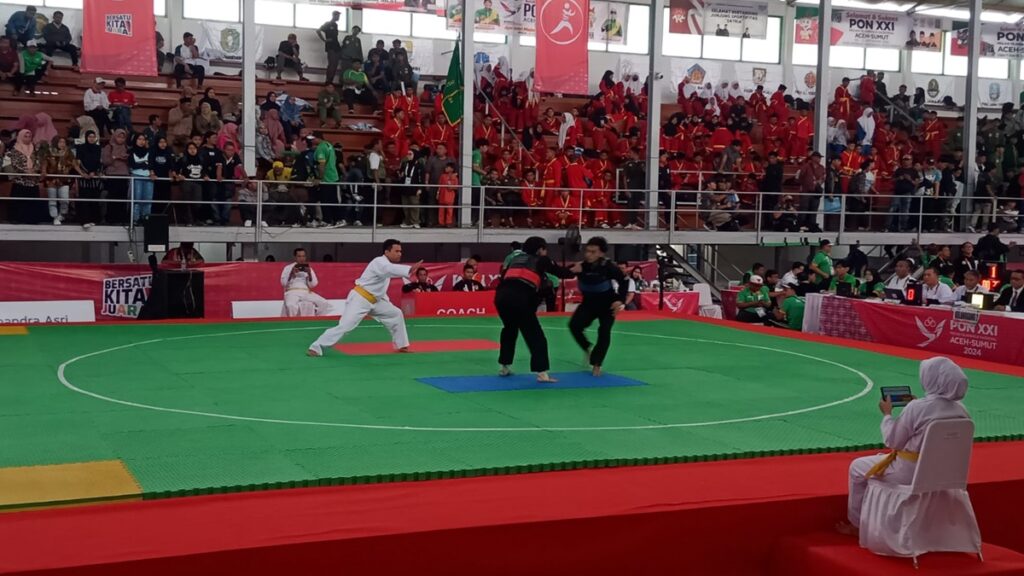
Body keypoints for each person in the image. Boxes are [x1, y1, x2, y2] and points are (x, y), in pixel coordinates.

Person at [837, 357, 970, 537]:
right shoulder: (962, 410)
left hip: (909, 472)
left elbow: (893, 442)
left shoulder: (917, 408)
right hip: (945, 473)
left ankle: (858, 524)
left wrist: (887, 415)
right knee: (880, 461)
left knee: (856, 468)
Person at [308, 239, 421, 356]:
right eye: (396, 251)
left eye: (400, 251)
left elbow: (379, 289)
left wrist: (386, 303)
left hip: (375, 301)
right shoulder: (379, 262)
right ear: (387, 252)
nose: (400, 254)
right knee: (345, 326)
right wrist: (409, 269)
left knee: (396, 313)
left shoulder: (386, 265)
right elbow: (389, 269)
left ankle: (402, 345)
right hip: (360, 299)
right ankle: (316, 347)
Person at [495, 236, 575, 382]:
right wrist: (578, 269)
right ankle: (542, 373)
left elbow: (505, 276)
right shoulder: (542, 260)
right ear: (540, 250)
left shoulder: (515, 259)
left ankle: (504, 367)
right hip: (519, 298)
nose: (546, 252)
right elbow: (561, 273)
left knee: (509, 329)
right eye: (545, 249)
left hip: (501, 297)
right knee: (535, 334)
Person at [569, 237, 628, 377]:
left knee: (604, 331)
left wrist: (620, 300)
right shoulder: (581, 265)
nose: (588, 254)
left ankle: (597, 364)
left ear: (601, 253)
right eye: (587, 251)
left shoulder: (609, 266)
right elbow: (563, 272)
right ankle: (587, 347)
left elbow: (624, 281)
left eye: (593, 252)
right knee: (574, 326)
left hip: (608, 304)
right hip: (589, 303)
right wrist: (571, 270)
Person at [281, 248, 329, 317]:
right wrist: (291, 273)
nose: (302, 258)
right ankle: (292, 323)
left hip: (305, 292)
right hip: (292, 292)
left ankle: (315, 320)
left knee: (324, 303)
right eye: (299, 256)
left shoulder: (309, 268)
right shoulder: (288, 268)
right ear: (295, 257)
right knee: (290, 305)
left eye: (303, 256)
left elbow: (313, 284)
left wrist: (309, 273)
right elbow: (283, 283)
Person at [316, 11, 343, 84]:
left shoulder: (335, 25)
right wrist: (324, 40)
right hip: (330, 46)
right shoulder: (327, 24)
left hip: (336, 45)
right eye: (338, 16)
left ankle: (331, 80)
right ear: (334, 15)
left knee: (335, 64)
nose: (338, 17)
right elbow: (318, 30)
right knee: (331, 64)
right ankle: (328, 80)